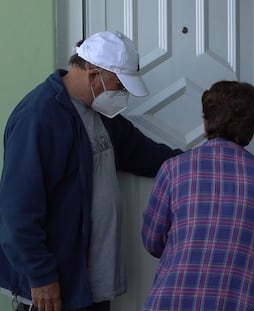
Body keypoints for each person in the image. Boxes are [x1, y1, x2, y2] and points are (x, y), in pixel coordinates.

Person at [0, 31, 182, 311]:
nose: (122, 93)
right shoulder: (39, 118)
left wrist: (200, 163)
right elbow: (16, 211)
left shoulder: (99, 113)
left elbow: (142, 153)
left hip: (91, 285)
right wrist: (41, 275)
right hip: (56, 288)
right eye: (119, 84)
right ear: (94, 74)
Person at [141, 80, 254, 310]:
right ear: (252, 129)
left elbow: (152, 241)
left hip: (175, 301)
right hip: (250, 301)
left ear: (206, 121)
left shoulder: (173, 170)